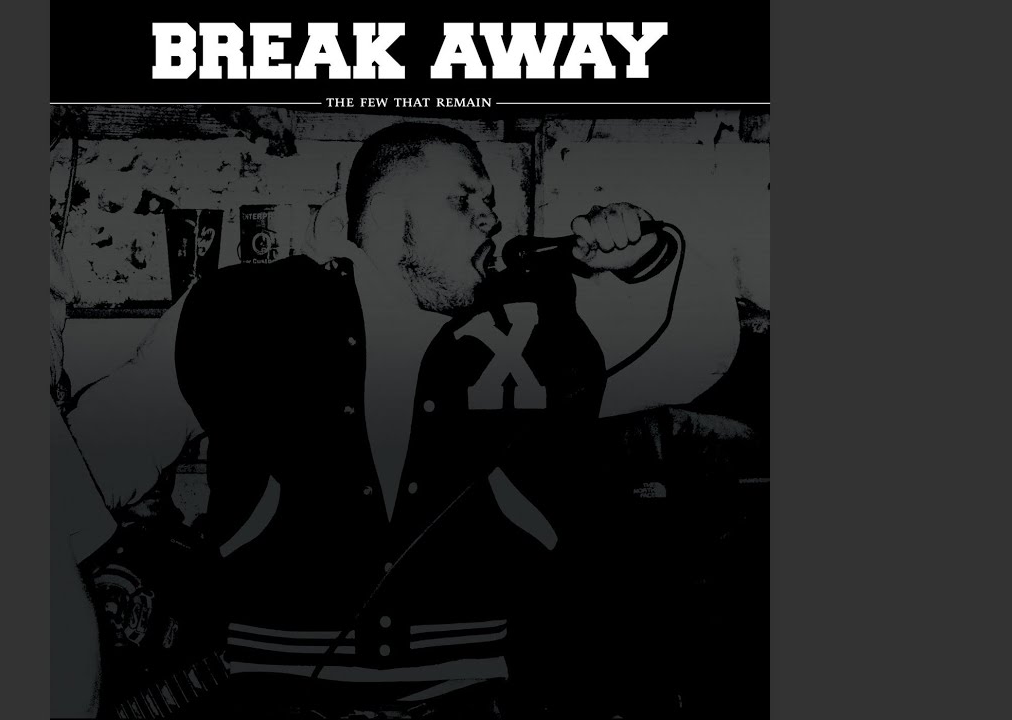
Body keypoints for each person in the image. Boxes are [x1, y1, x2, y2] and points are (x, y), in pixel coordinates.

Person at [63, 122, 740, 718]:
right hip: (272, 696)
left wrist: (646, 262)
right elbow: (90, 460)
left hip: (477, 697)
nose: (490, 219)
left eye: (491, 203)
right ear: (388, 213)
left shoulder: (535, 326)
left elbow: (703, 354)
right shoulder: (241, 311)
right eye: (465, 197)